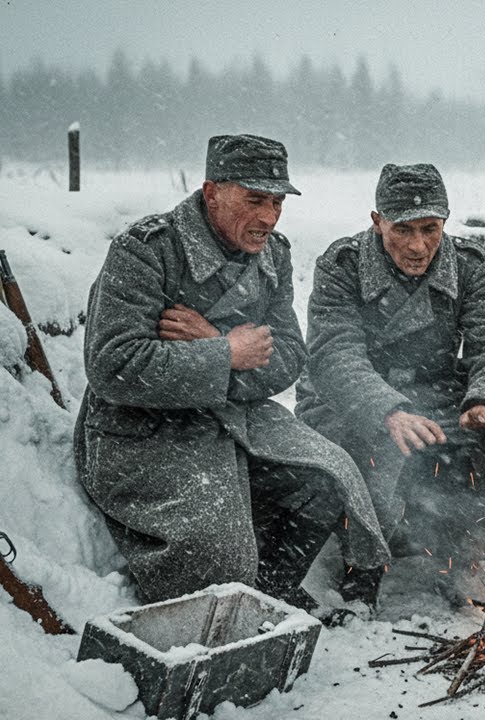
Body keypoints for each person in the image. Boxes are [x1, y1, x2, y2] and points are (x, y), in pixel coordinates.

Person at [74, 134, 389, 608]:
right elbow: (113, 366)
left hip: (233, 415)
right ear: (212, 191)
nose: (268, 217)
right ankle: (224, 606)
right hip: (142, 428)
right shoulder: (144, 250)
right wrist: (226, 354)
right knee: (216, 549)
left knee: (330, 478)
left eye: (278, 202)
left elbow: (286, 354)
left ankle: (268, 592)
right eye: (255, 199)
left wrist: (212, 346)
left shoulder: (273, 254)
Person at [296, 163, 485, 608]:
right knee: (371, 456)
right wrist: (388, 411)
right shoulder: (342, 265)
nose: (418, 246)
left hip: (438, 395)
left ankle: (468, 562)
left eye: (430, 228)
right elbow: (334, 354)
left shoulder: (468, 265)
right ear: (377, 221)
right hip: (346, 400)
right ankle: (358, 575)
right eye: (402, 229)